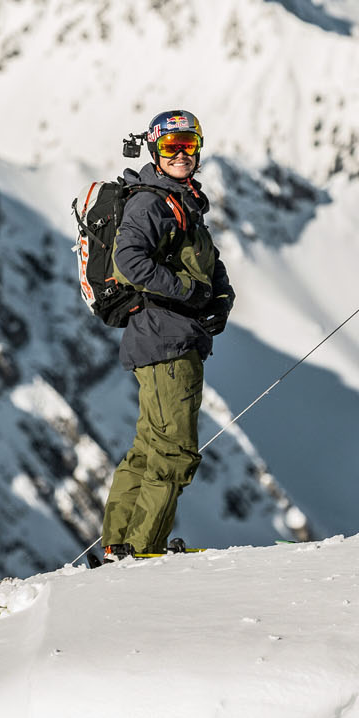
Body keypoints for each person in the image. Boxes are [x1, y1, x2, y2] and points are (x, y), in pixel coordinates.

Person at [99, 109, 234, 558]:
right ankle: (143, 550)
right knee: (175, 451)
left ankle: (120, 544)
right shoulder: (153, 201)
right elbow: (129, 260)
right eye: (171, 147)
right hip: (164, 340)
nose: (181, 155)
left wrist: (219, 296)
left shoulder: (181, 199)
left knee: (149, 447)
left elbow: (202, 261)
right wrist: (188, 294)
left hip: (165, 337)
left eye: (188, 146)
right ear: (155, 150)